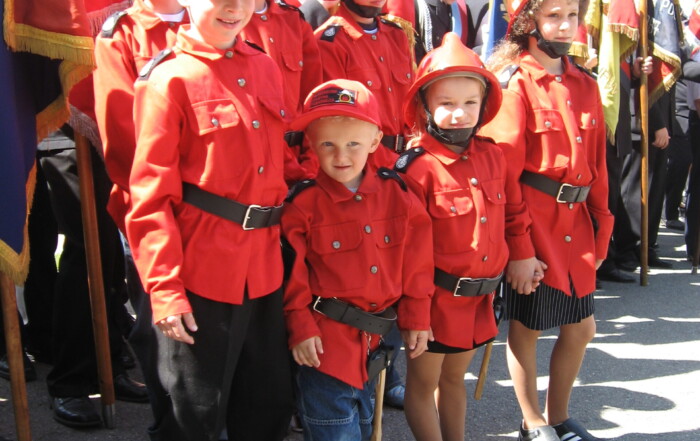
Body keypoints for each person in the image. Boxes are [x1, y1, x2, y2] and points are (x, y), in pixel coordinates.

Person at [125, 0, 294, 438]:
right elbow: (149, 198)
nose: (235, 8)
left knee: (266, 408)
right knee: (193, 416)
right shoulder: (168, 79)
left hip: (265, 270)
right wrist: (164, 290)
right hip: (203, 273)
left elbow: (282, 164)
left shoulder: (264, 67)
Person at [481, 0, 614, 439]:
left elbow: (598, 167)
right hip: (534, 223)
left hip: (577, 226)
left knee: (582, 327)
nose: (566, 25)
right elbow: (504, 177)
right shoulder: (515, 84)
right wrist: (519, 249)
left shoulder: (585, 84)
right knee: (529, 324)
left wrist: (603, 228)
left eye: (572, 15)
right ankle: (533, 421)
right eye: (554, 14)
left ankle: (559, 417)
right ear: (528, 20)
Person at [281, 78, 434, 441]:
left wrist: (417, 318)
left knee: (365, 428)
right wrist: (300, 326)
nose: (341, 156)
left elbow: (417, 264)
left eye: (353, 144)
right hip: (324, 349)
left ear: (375, 141)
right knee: (337, 433)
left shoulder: (398, 194)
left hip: (377, 344)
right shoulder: (301, 205)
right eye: (328, 145)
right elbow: (292, 276)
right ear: (312, 147)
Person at [395, 33, 521, 441]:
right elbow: (409, 254)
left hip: (477, 300)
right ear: (425, 105)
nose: (459, 113)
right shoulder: (416, 168)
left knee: (454, 381)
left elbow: (512, 217)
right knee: (423, 385)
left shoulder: (493, 155)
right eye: (446, 103)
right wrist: (415, 313)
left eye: (470, 102)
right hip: (433, 304)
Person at [93, 0, 188, 432]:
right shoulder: (121, 34)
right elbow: (125, 141)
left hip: (222, 215)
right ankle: (170, 421)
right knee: (161, 326)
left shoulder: (217, 18)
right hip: (157, 210)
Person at [315, 0, 415, 168]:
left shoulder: (397, 34)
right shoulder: (329, 42)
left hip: (407, 157)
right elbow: (338, 120)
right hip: (366, 163)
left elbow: (412, 104)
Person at [239, 0, 323, 180]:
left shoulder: (293, 20)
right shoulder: (228, 24)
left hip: (301, 162)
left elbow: (315, 101)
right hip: (256, 167)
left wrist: (311, 161)